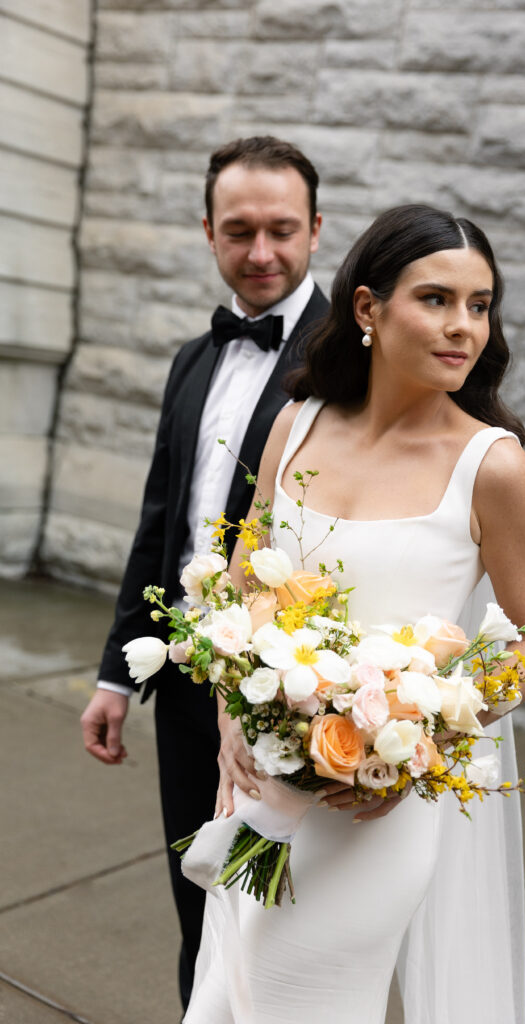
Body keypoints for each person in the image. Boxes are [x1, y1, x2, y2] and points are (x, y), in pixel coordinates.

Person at [187, 204, 525, 1024]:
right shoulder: (298, 421)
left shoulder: (491, 467)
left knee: (303, 1004)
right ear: (366, 309)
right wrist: (231, 719)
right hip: (255, 783)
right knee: (225, 995)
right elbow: (244, 585)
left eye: (479, 304)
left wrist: (420, 743)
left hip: (377, 808)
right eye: (435, 299)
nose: (462, 326)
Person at [79, 136, 329, 1010]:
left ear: (315, 230)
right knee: (197, 891)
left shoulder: (357, 364)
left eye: (281, 230)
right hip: (187, 686)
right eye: (238, 230)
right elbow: (161, 527)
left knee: (266, 905)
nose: (261, 252)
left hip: (293, 699)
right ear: (209, 233)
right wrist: (119, 670)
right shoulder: (193, 359)